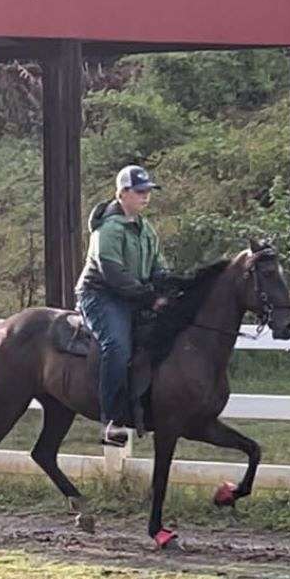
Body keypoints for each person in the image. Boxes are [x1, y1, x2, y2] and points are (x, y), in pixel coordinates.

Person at [76, 164, 168, 447]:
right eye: (140, 191)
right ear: (123, 193)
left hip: (132, 295)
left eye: (148, 192)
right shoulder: (108, 229)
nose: (146, 197)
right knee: (117, 345)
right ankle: (111, 420)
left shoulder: (146, 229)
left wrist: (167, 285)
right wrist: (149, 297)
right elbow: (111, 272)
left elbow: (158, 266)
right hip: (101, 295)